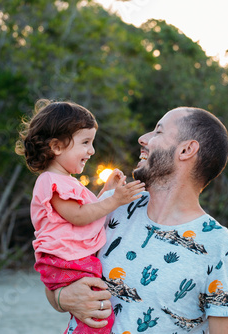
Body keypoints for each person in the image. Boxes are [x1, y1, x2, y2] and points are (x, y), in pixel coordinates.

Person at [46, 107, 228, 333]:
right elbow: (54, 271)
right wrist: (62, 298)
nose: (143, 138)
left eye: (158, 132)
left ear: (187, 149)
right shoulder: (110, 206)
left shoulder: (221, 248)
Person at [15, 99, 145, 334]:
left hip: (72, 260)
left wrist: (108, 191)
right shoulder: (51, 182)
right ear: (56, 147)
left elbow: (90, 210)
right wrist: (115, 200)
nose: (92, 151)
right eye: (85, 142)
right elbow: (78, 216)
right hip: (66, 261)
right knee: (97, 312)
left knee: (94, 310)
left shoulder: (67, 183)